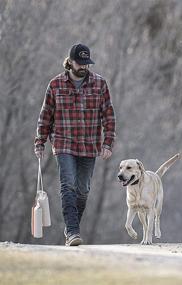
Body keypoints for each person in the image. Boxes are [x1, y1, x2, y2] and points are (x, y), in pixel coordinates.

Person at [34, 43, 116, 246]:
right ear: (70, 61)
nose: (83, 67)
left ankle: (72, 227)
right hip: (63, 143)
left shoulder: (100, 84)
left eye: (86, 63)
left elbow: (108, 115)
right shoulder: (55, 85)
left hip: (89, 144)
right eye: (79, 62)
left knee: (83, 190)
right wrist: (40, 142)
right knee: (67, 185)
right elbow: (45, 116)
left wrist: (108, 143)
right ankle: (72, 232)